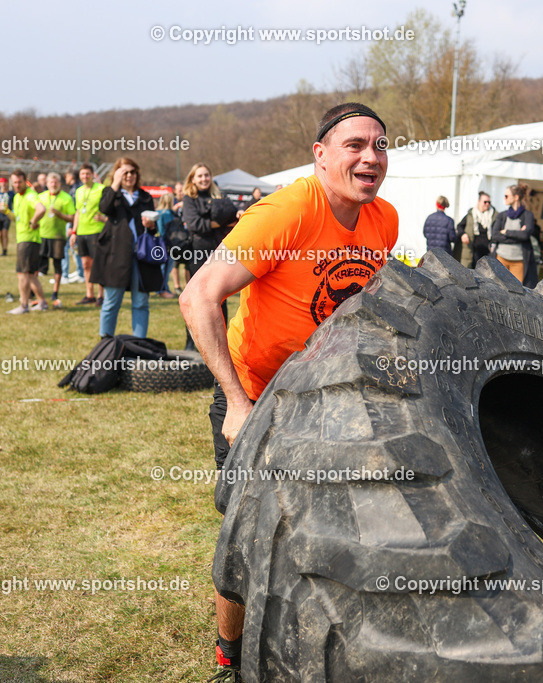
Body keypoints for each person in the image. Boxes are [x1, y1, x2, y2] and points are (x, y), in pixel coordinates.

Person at [179, 102, 397, 682]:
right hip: (258, 399)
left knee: (342, 526)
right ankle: (230, 658)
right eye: (354, 145)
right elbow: (198, 296)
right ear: (320, 155)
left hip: (330, 400)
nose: (370, 157)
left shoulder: (385, 220)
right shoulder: (289, 212)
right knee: (249, 540)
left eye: (380, 145)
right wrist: (237, 403)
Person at [90, 157, 161, 338]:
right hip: (115, 254)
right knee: (112, 301)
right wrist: (115, 184)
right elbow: (104, 208)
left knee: (141, 302)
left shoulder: (145, 197)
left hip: (142, 255)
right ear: (117, 174)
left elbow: (154, 230)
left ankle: (140, 342)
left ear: (137, 174)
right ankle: (105, 341)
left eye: (132, 172)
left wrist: (152, 226)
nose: (129, 176)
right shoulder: (110, 192)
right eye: (124, 172)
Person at [181, 163, 238, 350]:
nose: (204, 179)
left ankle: (221, 342)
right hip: (197, 253)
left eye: (206, 175)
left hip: (219, 252)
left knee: (220, 297)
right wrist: (217, 222)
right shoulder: (189, 198)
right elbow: (194, 223)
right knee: (197, 298)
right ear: (193, 179)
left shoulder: (219, 195)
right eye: (199, 176)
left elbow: (230, 216)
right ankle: (193, 342)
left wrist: (216, 221)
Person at [4, 170, 47, 314]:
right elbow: (17, 219)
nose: (16, 185)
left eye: (19, 182)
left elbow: (41, 209)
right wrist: (7, 212)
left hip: (28, 240)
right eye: (14, 182)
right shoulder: (17, 197)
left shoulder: (30, 195)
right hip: (24, 239)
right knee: (30, 274)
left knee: (22, 274)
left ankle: (23, 305)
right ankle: (42, 303)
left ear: (25, 181)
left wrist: (33, 221)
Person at [33, 172, 76, 308]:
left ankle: (55, 293)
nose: (54, 184)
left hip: (58, 237)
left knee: (57, 265)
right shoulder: (40, 197)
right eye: (51, 182)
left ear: (60, 184)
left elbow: (72, 217)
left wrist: (59, 214)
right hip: (41, 235)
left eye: (56, 182)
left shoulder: (66, 198)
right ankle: (35, 293)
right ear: (47, 184)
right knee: (37, 266)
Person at [71, 163, 107, 305]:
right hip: (82, 232)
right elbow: (78, 212)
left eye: (87, 174)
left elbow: (110, 209)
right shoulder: (79, 191)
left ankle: (101, 296)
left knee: (98, 264)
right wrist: (74, 231)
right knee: (86, 264)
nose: (85, 176)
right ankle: (89, 294)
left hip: (96, 231)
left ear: (93, 175)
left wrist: (104, 219)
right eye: (82, 174)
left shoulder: (101, 189)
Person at [489, 184, 535, 283]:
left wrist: (506, 232)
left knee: (516, 291)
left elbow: (525, 235)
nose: (504, 198)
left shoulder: (528, 215)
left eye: (506, 196)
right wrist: (518, 235)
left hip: (519, 262)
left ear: (516, 197)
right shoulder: (502, 215)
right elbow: (495, 235)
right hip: (501, 259)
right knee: (498, 288)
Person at [456, 191, 495, 268]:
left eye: (489, 202)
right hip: (472, 251)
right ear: (479, 202)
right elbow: (459, 226)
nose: (487, 204)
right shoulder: (471, 214)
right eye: (485, 202)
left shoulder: (494, 215)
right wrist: (463, 234)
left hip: (488, 252)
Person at [155, 192, 179, 298]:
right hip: (168, 244)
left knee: (162, 268)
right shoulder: (168, 214)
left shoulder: (157, 212)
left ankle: (162, 289)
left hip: (159, 244)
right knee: (166, 269)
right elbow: (164, 231)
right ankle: (162, 290)